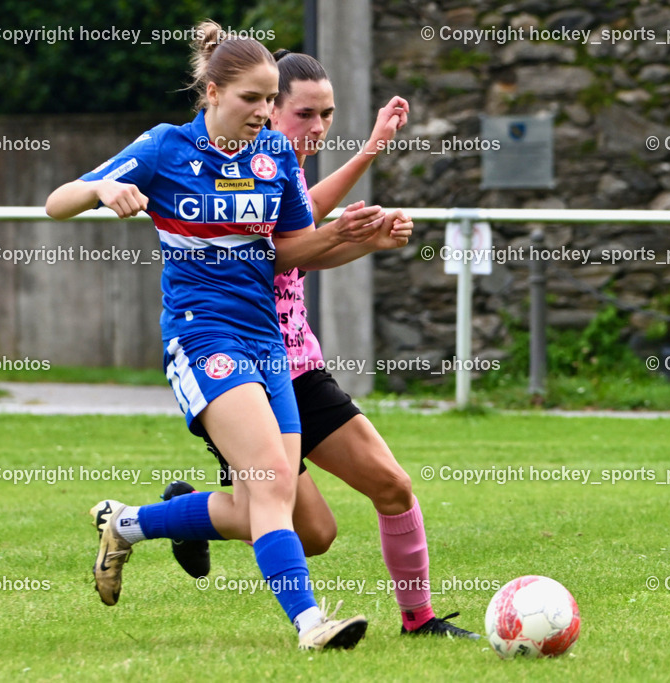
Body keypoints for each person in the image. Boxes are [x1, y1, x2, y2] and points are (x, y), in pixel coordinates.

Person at [45, 21, 408, 651]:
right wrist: (102, 187)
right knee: (271, 481)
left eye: (270, 101)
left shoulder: (273, 162)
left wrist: (360, 239)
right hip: (202, 337)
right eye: (251, 99)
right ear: (211, 93)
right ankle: (310, 623)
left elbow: (293, 251)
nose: (264, 113)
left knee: (287, 516)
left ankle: (127, 524)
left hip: (270, 346)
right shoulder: (164, 148)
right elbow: (57, 201)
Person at [161, 50, 479, 640]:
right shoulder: (234, 167)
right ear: (264, 107)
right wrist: (366, 171)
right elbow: (290, 244)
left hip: (298, 368)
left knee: (389, 487)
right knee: (304, 529)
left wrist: (367, 237)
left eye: (327, 115)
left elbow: (306, 232)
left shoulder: (282, 167)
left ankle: (420, 619)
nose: (317, 128)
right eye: (304, 113)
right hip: (238, 372)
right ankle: (148, 523)